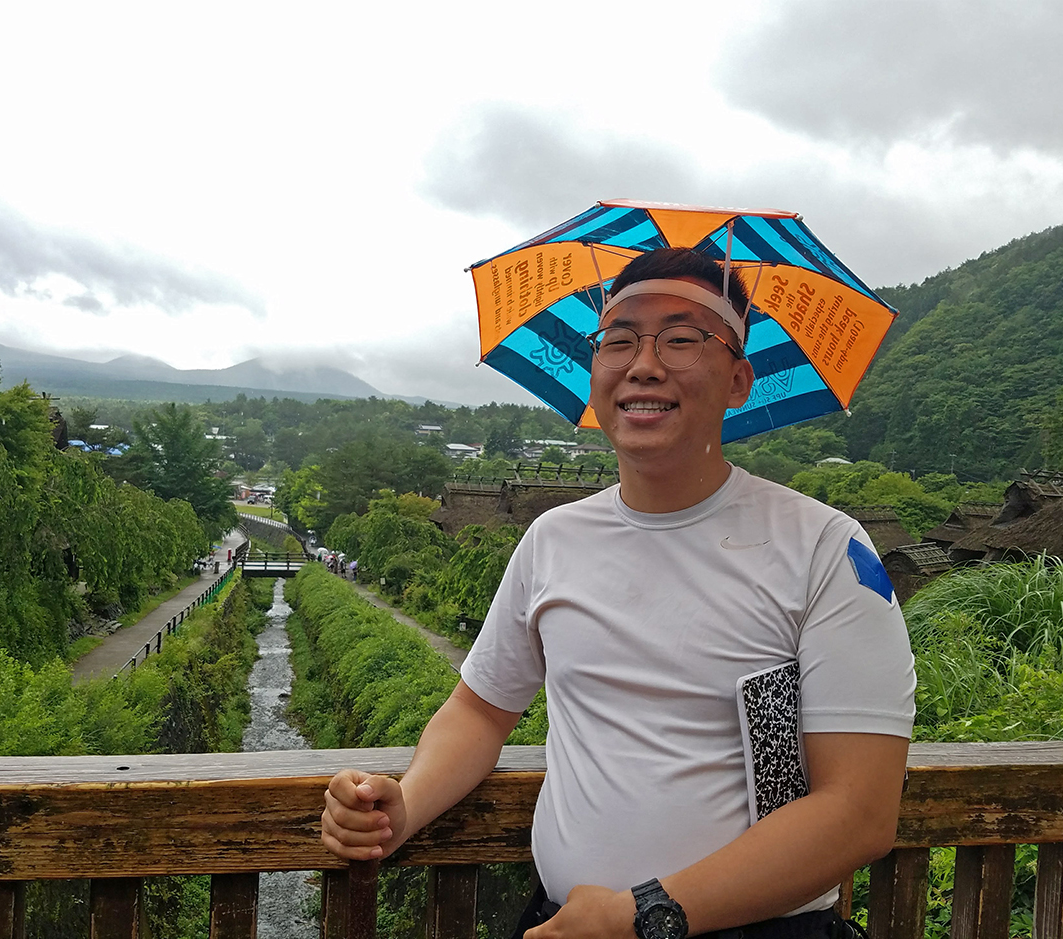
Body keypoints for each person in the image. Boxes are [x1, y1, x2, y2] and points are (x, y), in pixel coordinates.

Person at [321, 248, 915, 939]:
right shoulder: (554, 539)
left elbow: (860, 811)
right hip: (571, 924)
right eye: (618, 339)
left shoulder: (824, 549)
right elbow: (480, 710)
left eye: (682, 338)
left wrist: (641, 915)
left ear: (738, 379)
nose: (644, 364)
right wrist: (405, 805)